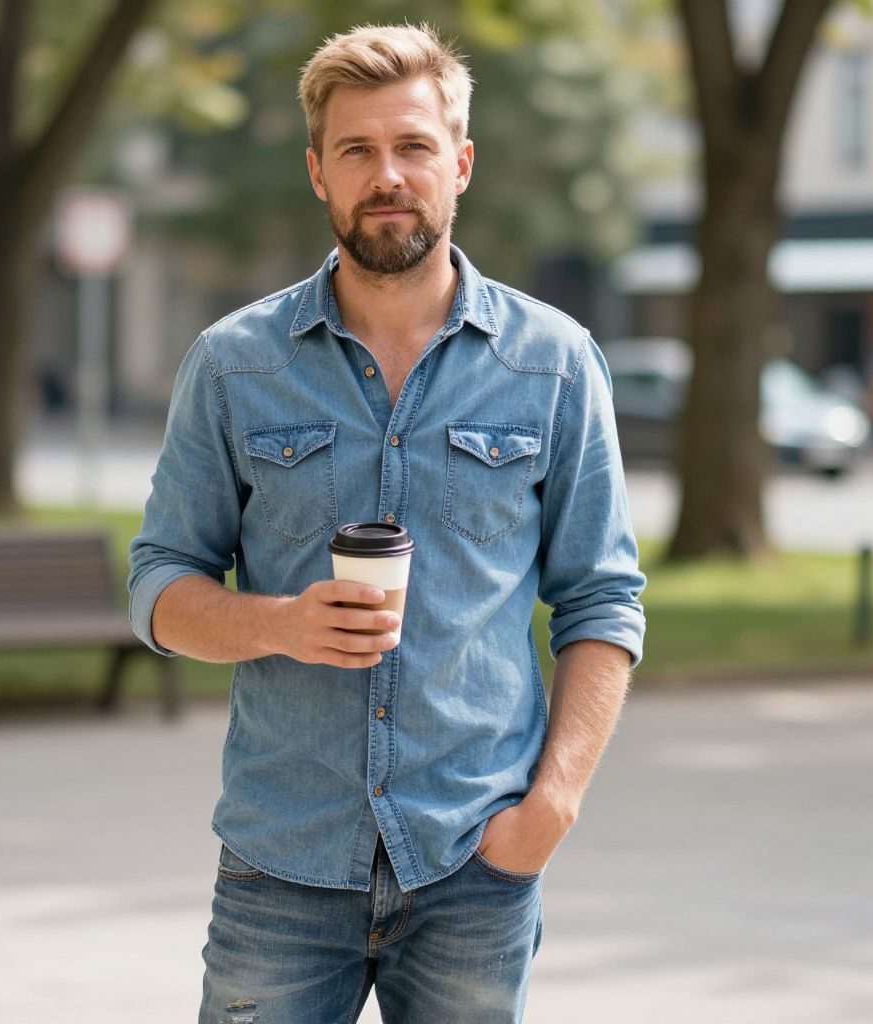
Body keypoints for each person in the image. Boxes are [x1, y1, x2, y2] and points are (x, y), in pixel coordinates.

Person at [129, 23, 645, 1024]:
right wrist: (279, 623)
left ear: (458, 163)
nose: (387, 175)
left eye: (412, 147)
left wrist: (552, 807)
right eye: (357, 151)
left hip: (472, 863)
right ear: (318, 172)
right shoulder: (235, 363)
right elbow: (158, 583)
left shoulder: (555, 362)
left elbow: (602, 599)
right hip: (282, 862)